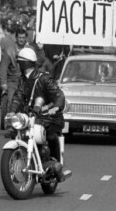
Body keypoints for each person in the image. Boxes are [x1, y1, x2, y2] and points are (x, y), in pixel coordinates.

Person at [5, 47, 71, 182]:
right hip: (32, 116)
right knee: (15, 131)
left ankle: (57, 165)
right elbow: (18, 96)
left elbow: (59, 95)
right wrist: (11, 111)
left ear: (24, 63)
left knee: (50, 135)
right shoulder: (23, 79)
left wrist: (56, 108)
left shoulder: (44, 78)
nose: (18, 63)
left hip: (50, 117)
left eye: (20, 61)